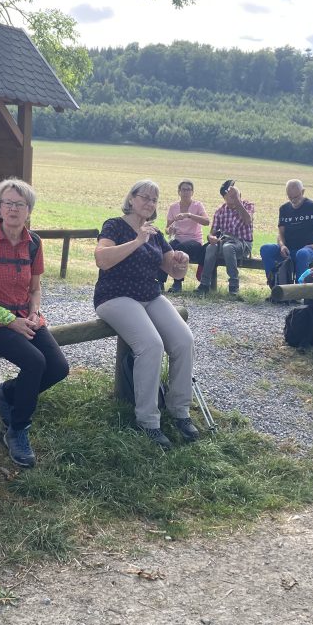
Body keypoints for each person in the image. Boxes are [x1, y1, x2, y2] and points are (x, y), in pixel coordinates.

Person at [0, 178, 69, 468]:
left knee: (59, 368)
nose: (12, 209)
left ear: (28, 211)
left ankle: (5, 393)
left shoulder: (34, 243)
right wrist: (11, 322)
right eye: (7, 203)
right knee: (35, 363)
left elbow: (35, 289)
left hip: (25, 318)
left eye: (19, 204)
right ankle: (18, 430)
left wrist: (34, 314)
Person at [94, 180, 199, 449]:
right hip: (115, 295)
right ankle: (148, 421)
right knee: (151, 345)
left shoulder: (155, 233)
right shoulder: (114, 225)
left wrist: (181, 263)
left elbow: (173, 271)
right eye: (145, 197)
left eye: (154, 200)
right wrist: (137, 240)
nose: (150, 203)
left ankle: (179, 411)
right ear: (131, 199)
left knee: (183, 340)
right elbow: (102, 259)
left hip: (149, 294)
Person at [259, 179, 313, 284]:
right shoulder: (284, 209)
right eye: (290, 197)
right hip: (288, 249)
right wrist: (282, 246)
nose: (293, 200)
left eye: (296, 197)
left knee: (302, 254)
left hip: (307, 250)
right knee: (265, 249)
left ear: (303, 192)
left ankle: (299, 290)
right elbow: (281, 233)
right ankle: (275, 284)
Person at [196, 179, 255, 297]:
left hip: (242, 243)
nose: (232, 199)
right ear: (224, 198)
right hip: (224, 240)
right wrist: (211, 238)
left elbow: (248, 220)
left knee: (228, 248)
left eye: (235, 196)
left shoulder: (248, 205)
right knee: (210, 248)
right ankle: (204, 284)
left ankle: (234, 286)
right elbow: (211, 233)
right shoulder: (220, 211)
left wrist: (238, 202)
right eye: (230, 197)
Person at [158, 179, 209, 293]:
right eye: (183, 189)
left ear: (192, 192)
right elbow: (167, 228)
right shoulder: (173, 207)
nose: (186, 192)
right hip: (178, 238)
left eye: (188, 190)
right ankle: (160, 282)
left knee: (181, 249)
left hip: (194, 241)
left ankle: (177, 283)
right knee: (164, 249)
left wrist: (189, 215)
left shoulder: (197, 206)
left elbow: (206, 221)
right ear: (179, 192)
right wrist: (169, 230)